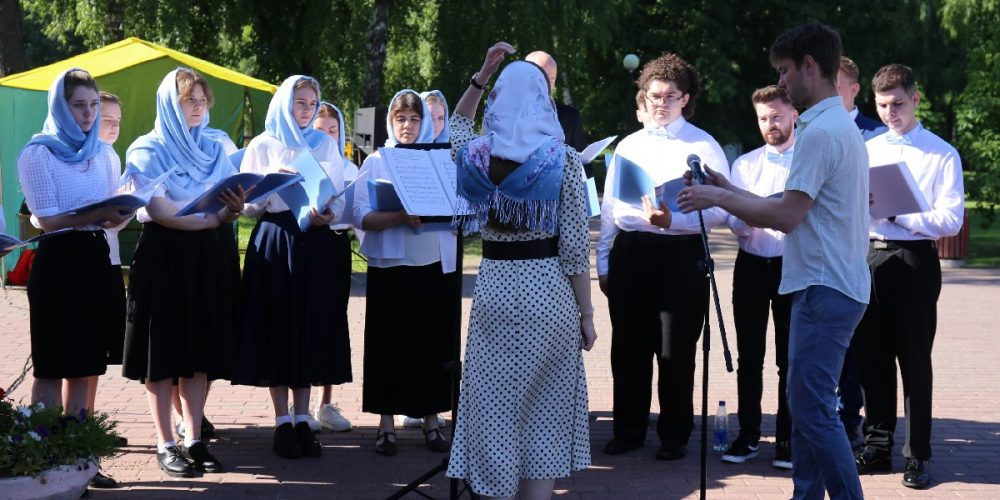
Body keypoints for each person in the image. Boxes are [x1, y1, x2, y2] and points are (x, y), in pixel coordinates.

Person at [678, 22, 870, 499]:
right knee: (808, 407)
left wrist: (711, 198)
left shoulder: (820, 132)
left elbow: (786, 215)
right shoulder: (834, 123)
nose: (781, 83)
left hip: (825, 288)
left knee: (813, 411)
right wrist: (727, 190)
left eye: (784, 71)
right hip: (829, 284)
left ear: (809, 66)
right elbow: (790, 205)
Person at [445, 42, 596, 500]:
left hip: (493, 291)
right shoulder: (563, 160)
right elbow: (574, 252)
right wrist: (587, 316)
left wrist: (482, 73)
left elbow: (455, 124)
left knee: (493, 409)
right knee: (546, 412)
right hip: (549, 296)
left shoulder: (476, 156)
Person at [596, 52, 730, 461]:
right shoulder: (629, 145)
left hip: (680, 255)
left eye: (670, 97)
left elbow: (723, 209)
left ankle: (675, 434)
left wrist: (673, 220)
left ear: (685, 99)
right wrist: (603, 260)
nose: (661, 104)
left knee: (675, 351)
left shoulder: (702, 145)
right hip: (632, 252)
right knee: (629, 348)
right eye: (654, 96)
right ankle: (629, 430)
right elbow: (609, 208)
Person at [121, 68, 246, 478]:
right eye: (188, 100)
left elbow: (225, 205)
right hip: (164, 255)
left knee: (199, 354)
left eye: (201, 99)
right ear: (169, 105)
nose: (197, 107)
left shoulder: (215, 148)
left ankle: (193, 438)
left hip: (208, 256)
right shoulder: (146, 149)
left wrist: (233, 208)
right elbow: (159, 211)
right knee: (162, 353)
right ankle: (165, 442)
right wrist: (212, 221)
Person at [852, 63, 964, 490]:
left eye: (897, 103)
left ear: (916, 99)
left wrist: (899, 212)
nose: (890, 113)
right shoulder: (867, 148)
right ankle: (877, 447)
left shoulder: (941, 153)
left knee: (914, 360)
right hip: (867, 257)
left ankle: (918, 456)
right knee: (871, 358)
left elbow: (950, 219)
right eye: (882, 105)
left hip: (914, 261)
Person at [232, 76, 350, 459]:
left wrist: (328, 211)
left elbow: (336, 192)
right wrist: (263, 190)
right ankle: (282, 421)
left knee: (308, 327)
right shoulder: (264, 143)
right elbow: (247, 206)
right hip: (275, 240)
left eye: (312, 102)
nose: (306, 108)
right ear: (285, 102)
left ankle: (303, 418)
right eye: (299, 101)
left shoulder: (325, 143)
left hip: (314, 240)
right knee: (278, 327)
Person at [17, 68, 131, 417]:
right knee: (51, 366)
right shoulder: (38, 154)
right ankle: (46, 455)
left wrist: (124, 213)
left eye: (94, 105)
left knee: (86, 366)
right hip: (59, 260)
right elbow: (47, 219)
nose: (88, 114)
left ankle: (81, 460)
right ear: (61, 107)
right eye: (79, 105)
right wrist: (95, 216)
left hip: (96, 257)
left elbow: (114, 212)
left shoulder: (105, 154)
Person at [352, 89, 457, 456]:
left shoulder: (442, 159)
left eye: (414, 120)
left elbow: (461, 209)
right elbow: (360, 214)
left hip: (433, 265)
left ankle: (430, 419)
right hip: (391, 266)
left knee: (431, 344)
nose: (408, 126)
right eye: (401, 119)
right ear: (390, 122)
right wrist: (399, 216)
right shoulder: (377, 161)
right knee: (387, 344)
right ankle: (385, 424)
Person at [720, 85, 796, 470]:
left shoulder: (805, 162)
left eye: (776, 116)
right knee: (750, 356)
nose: (770, 125)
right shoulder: (745, 165)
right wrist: (745, 219)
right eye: (763, 119)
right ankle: (748, 433)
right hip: (750, 264)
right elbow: (734, 215)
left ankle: (787, 438)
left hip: (791, 266)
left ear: (793, 114)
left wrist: (758, 210)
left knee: (789, 358)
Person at [292, 101, 356, 434]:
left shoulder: (348, 168)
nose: (326, 136)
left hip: (335, 248)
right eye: (319, 130)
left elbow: (357, 213)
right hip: (305, 245)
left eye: (333, 130)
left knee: (332, 321)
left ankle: (326, 403)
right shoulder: (296, 162)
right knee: (301, 320)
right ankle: (296, 403)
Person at [835, 54, 882, 451]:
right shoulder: (808, 130)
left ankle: (854, 420)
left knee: (860, 344)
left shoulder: (877, 134)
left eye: (837, 87)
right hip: (827, 252)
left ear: (853, 90)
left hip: (870, 248)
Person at [524, 51, 587, 155]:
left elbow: (585, 165)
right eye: (541, 77)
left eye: (551, 79)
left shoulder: (570, 117)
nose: (546, 84)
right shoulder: (504, 116)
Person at [837, 56, 887, 140]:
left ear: (854, 90)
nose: (826, 94)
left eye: (835, 88)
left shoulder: (881, 135)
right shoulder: (810, 131)